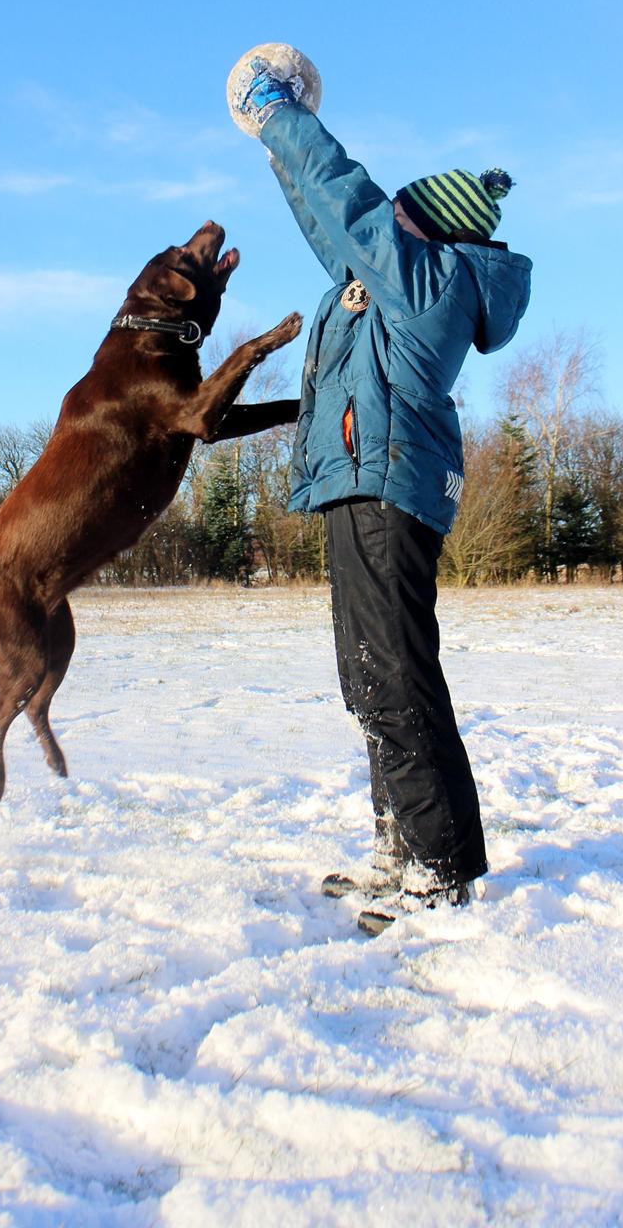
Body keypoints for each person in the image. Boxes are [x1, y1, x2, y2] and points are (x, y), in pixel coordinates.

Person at [236, 58, 532, 934]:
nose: (384, 224)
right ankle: (398, 849)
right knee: (369, 681)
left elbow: (350, 203)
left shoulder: (430, 281)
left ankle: (438, 868)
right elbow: (332, 223)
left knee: (393, 679)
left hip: (386, 486)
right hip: (366, 486)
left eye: (400, 216)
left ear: (427, 229)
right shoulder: (409, 278)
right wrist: (275, 153)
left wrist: (280, 114)